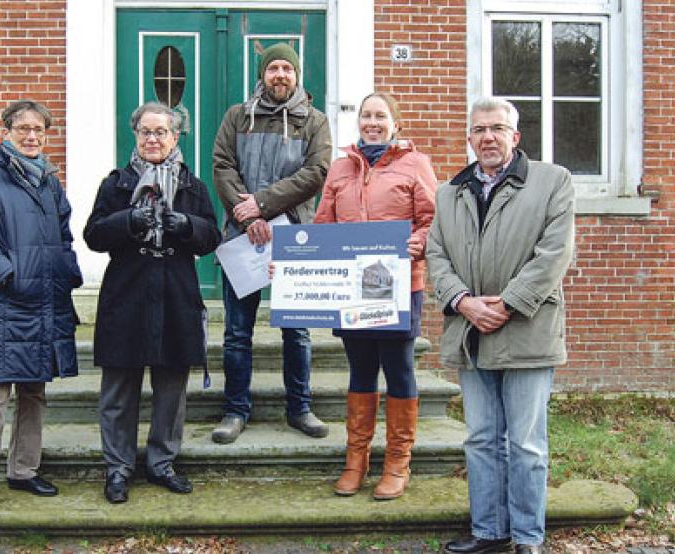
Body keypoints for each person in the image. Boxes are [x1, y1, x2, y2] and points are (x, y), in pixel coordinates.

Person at [427, 97, 575, 554]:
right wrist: (463, 302)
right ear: (470, 138)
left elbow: (554, 253)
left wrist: (507, 303)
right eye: (478, 130)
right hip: (471, 334)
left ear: (515, 136)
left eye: (496, 128)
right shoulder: (450, 192)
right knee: (481, 440)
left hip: (527, 331)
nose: (487, 137)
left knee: (526, 444)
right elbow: (437, 254)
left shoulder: (552, 181)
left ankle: (528, 537)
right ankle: (490, 531)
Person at [0, 99, 83, 520]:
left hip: (41, 301)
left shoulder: (48, 182)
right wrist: (9, 274)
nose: (31, 136)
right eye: (23, 128)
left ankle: (24, 470)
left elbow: (63, 236)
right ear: (6, 131)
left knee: (33, 391)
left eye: (39, 130)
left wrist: (67, 273)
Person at [84, 102, 220, 504]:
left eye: (161, 132)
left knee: (171, 389)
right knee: (119, 389)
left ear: (175, 137)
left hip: (176, 294)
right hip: (127, 294)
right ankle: (118, 467)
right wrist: (126, 221)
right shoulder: (116, 184)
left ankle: (162, 463)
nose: (153, 139)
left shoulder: (193, 186)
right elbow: (93, 235)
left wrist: (188, 225)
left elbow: (212, 237)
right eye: (146, 131)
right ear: (136, 135)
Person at [313, 92, 437, 500]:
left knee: (398, 368)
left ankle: (398, 462)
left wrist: (419, 242)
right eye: (366, 115)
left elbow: (432, 219)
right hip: (352, 287)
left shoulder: (415, 164)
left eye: (380, 116)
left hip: (398, 285)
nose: (372, 122)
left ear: (395, 124)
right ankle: (356, 460)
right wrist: (298, 265)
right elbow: (323, 225)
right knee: (360, 369)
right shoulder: (340, 167)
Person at [210, 42, 333, 444]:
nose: (280, 74)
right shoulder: (237, 117)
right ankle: (235, 410)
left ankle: (300, 408)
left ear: (297, 75)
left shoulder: (314, 121)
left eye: (287, 68)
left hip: (294, 239)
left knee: (296, 331)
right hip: (241, 237)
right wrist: (248, 217)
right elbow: (222, 165)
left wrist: (262, 204)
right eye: (273, 68)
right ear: (262, 74)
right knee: (236, 332)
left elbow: (317, 172)